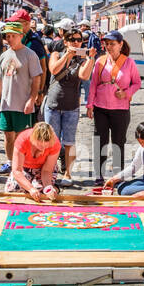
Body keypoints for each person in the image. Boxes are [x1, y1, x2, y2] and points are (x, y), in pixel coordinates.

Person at [82, 29, 141, 185]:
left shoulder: (129, 63)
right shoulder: (100, 61)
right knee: (99, 142)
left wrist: (127, 93)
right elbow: (93, 84)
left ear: (120, 45)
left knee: (118, 143)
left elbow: (137, 83)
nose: (109, 47)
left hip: (120, 109)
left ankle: (117, 176)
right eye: (107, 44)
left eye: (112, 44)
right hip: (101, 108)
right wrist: (90, 104)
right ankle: (99, 176)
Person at [0, 21, 43, 172]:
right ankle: (10, 162)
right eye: (7, 36)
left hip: (23, 104)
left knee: (22, 138)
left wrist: (32, 98)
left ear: (21, 36)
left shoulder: (30, 55)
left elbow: (37, 78)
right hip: (6, 104)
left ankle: (22, 164)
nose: (9, 39)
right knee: (8, 136)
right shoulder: (4, 55)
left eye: (12, 36)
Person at [44, 22, 85, 183]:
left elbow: (84, 76)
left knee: (69, 141)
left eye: (79, 40)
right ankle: (49, 171)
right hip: (53, 104)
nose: (76, 42)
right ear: (65, 41)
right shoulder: (56, 54)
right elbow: (53, 70)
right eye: (72, 39)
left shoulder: (82, 59)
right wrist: (67, 55)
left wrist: (90, 59)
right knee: (50, 141)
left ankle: (68, 173)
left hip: (71, 105)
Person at [7, 121, 61, 200]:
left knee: (43, 193)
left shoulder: (55, 143)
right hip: (24, 167)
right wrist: (30, 188)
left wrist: (47, 187)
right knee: (14, 190)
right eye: (39, 145)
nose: (43, 149)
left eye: (46, 146)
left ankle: (54, 187)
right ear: (33, 139)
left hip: (43, 168)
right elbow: (17, 170)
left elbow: (47, 170)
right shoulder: (23, 140)